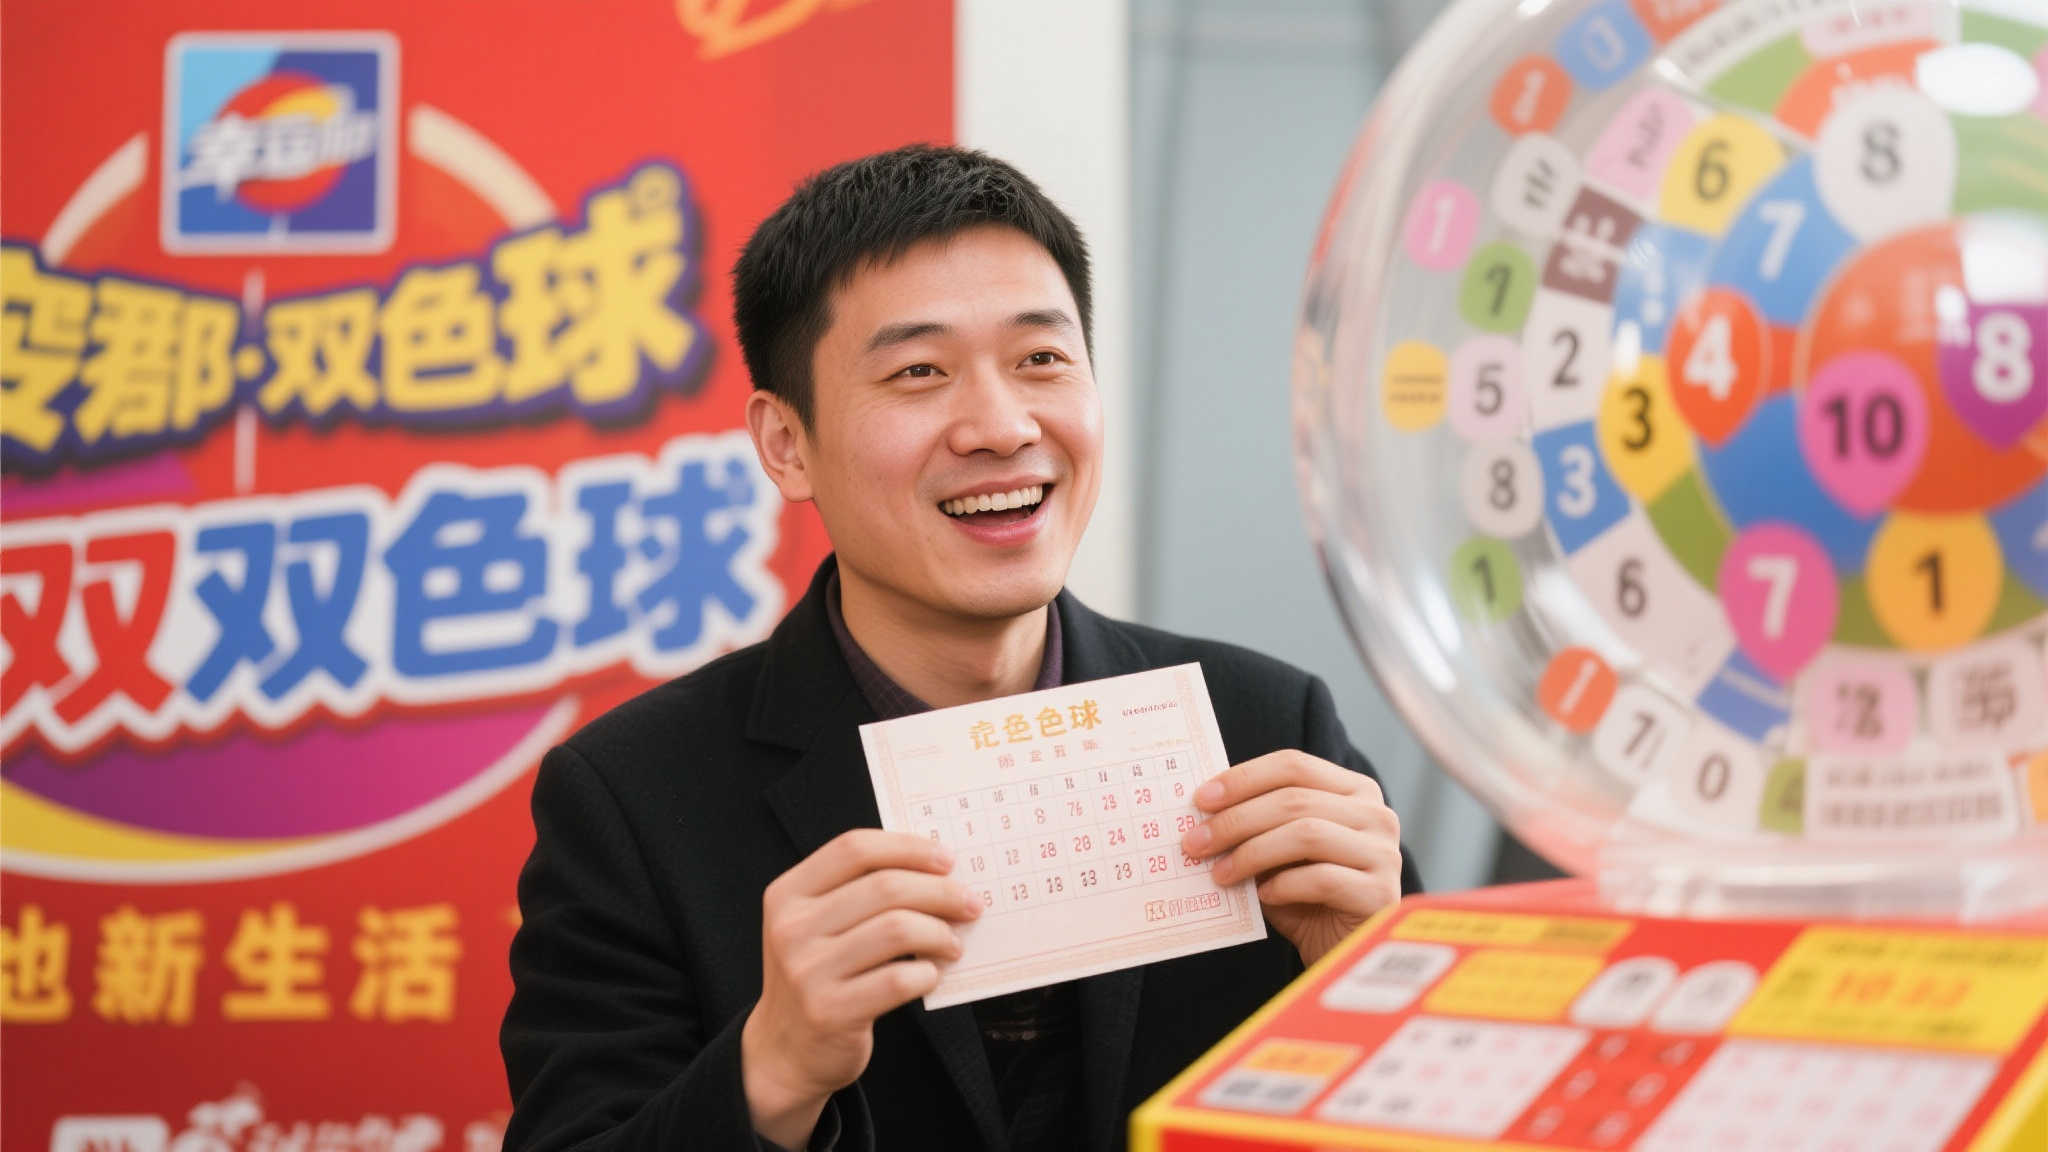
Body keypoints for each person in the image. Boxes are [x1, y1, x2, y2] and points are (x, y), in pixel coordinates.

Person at [500, 144, 1420, 1152]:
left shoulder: (1265, 727)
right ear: (786, 445)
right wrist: (772, 1071)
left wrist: (1369, 977)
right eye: (918, 373)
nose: (1000, 426)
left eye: (1041, 359)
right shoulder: (632, 798)